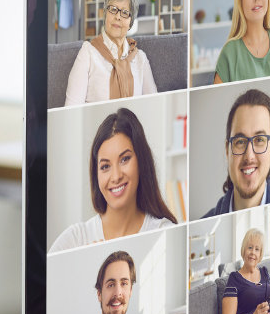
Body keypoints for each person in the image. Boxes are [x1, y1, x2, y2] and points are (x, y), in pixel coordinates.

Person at [50, 107, 177, 252]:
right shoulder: (75, 240)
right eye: (105, 166)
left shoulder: (165, 234)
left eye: (125, 159)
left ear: (141, 161)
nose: (116, 177)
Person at [64, 0, 157, 105]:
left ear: (131, 22)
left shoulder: (140, 58)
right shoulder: (88, 53)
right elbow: (71, 111)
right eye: (113, 9)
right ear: (105, 14)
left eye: (125, 12)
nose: (118, 16)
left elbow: (154, 106)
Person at [203, 87, 270, 216]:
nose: (249, 156)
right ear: (227, 150)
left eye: (259, 140)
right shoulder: (205, 225)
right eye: (240, 141)